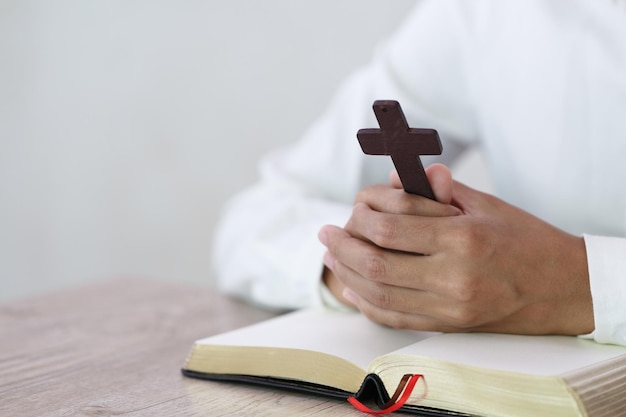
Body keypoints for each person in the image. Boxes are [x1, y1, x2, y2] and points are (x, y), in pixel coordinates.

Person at [212, 0, 626, 346]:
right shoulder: (485, 12)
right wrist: (387, 272)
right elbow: (257, 218)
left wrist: (581, 284)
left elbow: (571, 284)